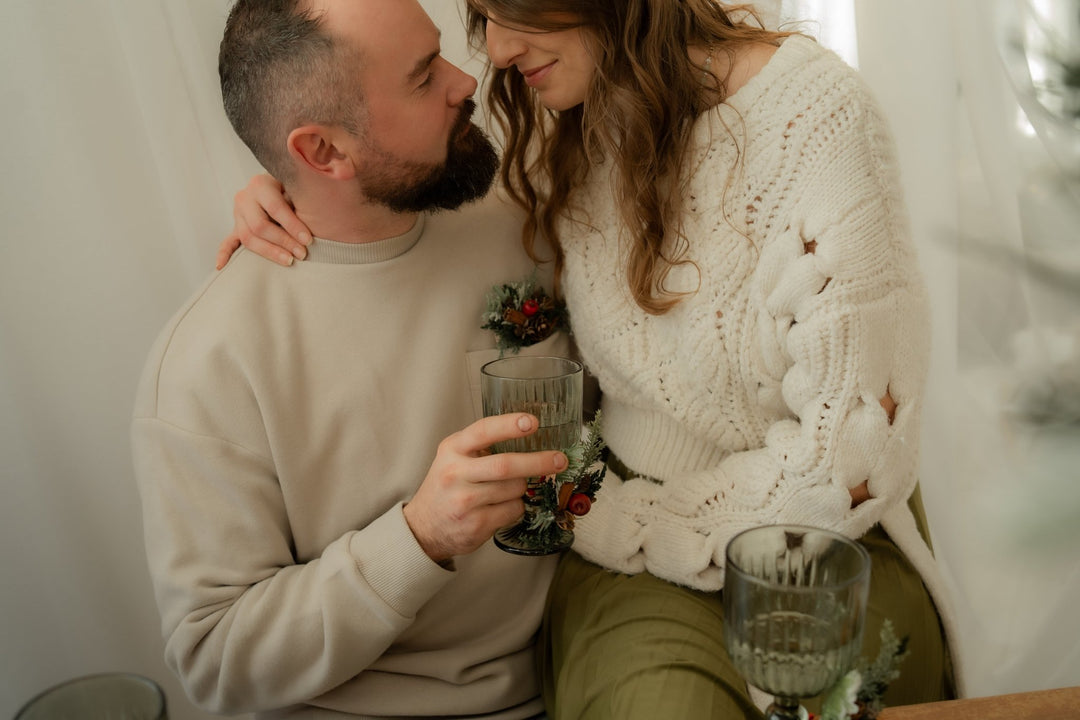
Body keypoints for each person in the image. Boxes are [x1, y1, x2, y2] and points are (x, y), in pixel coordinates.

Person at [221, 1, 966, 718]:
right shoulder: (563, 121)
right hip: (635, 561)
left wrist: (619, 522)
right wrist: (300, 194)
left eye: (511, 7)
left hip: (822, 541)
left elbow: (850, 463)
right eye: (483, 14)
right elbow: (415, 192)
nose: (494, 52)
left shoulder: (818, 118)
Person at [131, 0, 574, 717]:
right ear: (323, 152)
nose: (466, 80)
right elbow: (216, 663)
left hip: (582, 658)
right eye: (423, 75)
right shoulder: (208, 364)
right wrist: (418, 538)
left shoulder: (522, 211)